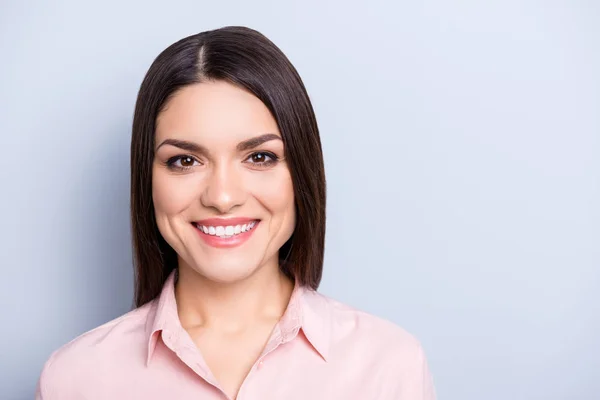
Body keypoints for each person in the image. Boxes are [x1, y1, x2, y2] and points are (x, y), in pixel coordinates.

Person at [35, 26, 436, 400]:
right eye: (185, 161)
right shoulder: (73, 379)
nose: (222, 197)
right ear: (147, 180)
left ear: (302, 173)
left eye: (259, 157)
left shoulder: (389, 366)